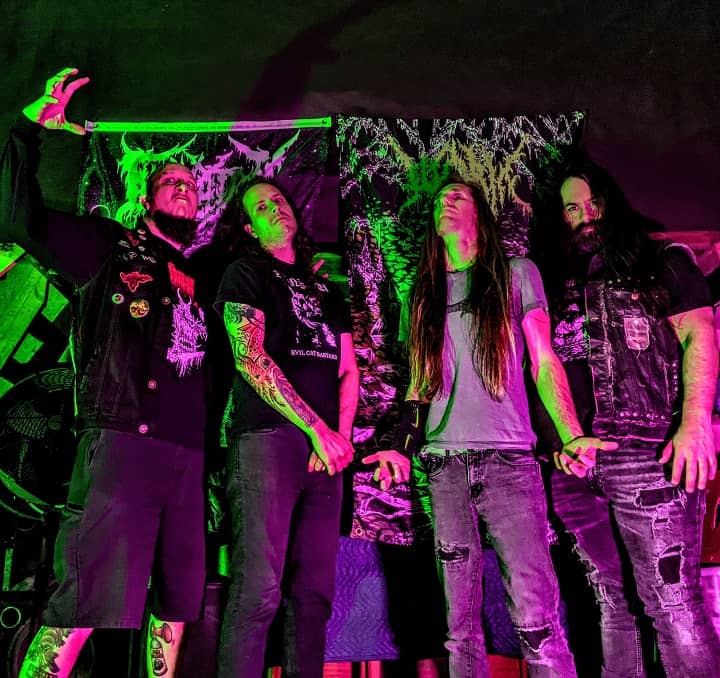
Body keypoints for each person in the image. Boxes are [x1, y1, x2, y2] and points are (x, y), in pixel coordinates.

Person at [1, 68, 207, 678]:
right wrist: (29, 130)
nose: (184, 188)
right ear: (145, 199)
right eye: (171, 181)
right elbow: (19, 220)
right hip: (121, 443)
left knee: (175, 606)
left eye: (192, 184)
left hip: (188, 458)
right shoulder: (108, 246)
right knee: (83, 600)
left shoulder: (206, 275)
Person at [381, 177, 613, 677]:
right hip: (444, 467)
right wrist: (400, 446)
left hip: (508, 462)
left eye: (457, 196)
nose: (445, 202)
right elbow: (418, 386)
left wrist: (570, 434)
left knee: (535, 615)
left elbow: (543, 360)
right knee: (459, 627)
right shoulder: (421, 294)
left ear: (479, 215)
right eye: (439, 200)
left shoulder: (517, 273)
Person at [529, 153, 720, 677]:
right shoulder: (552, 279)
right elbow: (541, 365)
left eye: (593, 203)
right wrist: (564, 441)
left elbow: (700, 333)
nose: (585, 215)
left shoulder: (660, 259)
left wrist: (695, 422)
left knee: (672, 602)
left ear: (611, 202)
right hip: (576, 465)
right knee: (612, 602)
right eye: (572, 208)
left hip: (647, 451)